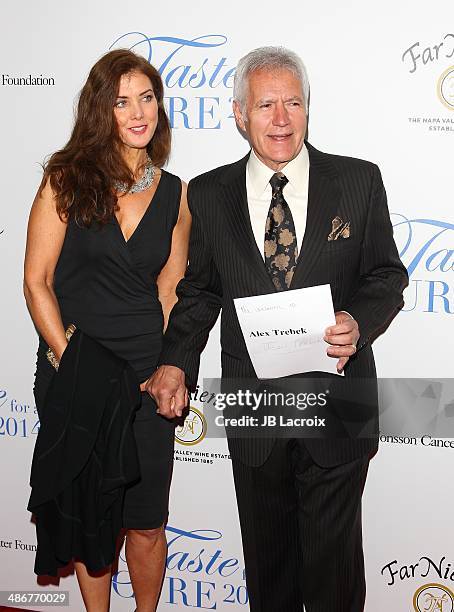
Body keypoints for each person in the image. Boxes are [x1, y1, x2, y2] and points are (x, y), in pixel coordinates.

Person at [146, 47, 408, 611]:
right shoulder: (209, 194)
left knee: (336, 579)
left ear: (308, 108)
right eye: (266, 105)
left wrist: (357, 322)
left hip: (336, 405)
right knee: (271, 578)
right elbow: (200, 292)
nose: (282, 119)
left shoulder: (359, 182)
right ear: (240, 114)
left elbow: (387, 275)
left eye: (293, 102)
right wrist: (175, 362)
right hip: (255, 412)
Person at [24, 49, 191, 612]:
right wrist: (74, 361)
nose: (139, 112)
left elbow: (171, 293)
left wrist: (170, 367)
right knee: (93, 523)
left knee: (144, 523)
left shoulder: (176, 194)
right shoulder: (65, 179)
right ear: (102, 110)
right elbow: (36, 281)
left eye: (147, 98)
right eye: (122, 101)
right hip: (75, 374)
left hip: (145, 383)